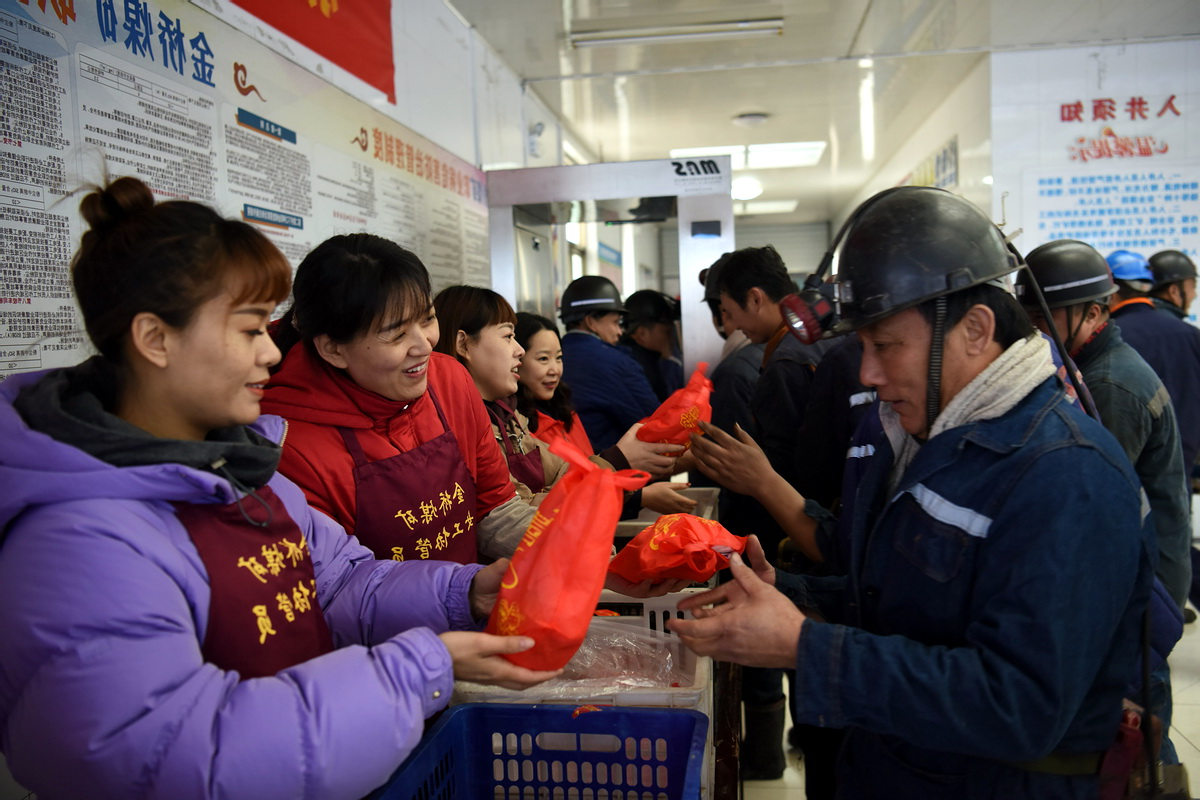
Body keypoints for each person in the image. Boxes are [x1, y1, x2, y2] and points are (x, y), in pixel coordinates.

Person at [0, 177, 558, 799]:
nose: (272, 352)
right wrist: (418, 669)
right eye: (248, 330)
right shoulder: (77, 540)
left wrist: (468, 591)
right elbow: (178, 759)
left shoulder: (238, 469)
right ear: (155, 339)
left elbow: (345, 581)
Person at [675, 186, 1155, 799]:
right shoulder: (922, 437)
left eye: (885, 346)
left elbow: (1021, 705)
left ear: (976, 330)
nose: (868, 374)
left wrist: (806, 645)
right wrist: (790, 596)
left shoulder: (1066, 474)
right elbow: (902, 602)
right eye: (862, 347)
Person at [262, 234, 535, 565]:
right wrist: (465, 594)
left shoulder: (450, 379)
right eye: (396, 333)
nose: (425, 346)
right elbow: (340, 586)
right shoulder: (289, 449)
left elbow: (493, 508)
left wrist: (578, 549)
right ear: (333, 349)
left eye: (427, 319)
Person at [1018, 240, 1191, 612]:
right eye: (1029, 316)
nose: (1035, 330)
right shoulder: (1091, 369)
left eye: (1044, 317)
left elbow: (1093, 498)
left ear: (1094, 313)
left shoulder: (1108, 385)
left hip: (1146, 587)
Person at [431, 286, 693, 516]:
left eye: (559, 358)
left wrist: (620, 466)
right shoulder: (458, 430)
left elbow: (563, 473)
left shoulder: (509, 418)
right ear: (463, 345)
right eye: (507, 336)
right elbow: (520, 511)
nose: (518, 350)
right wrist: (618, 462)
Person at [559, 275, 660, 452]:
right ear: (591, 322)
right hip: (609, 470)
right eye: (615, 322)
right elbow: (653, 425)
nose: (620, 332)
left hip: (563, 466)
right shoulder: (617, 364)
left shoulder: (553, 356)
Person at [619, 289, 684, 402]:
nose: (672, 339)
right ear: (642, 334)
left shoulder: (641, 359)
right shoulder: (637, 368)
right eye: (667, 332)